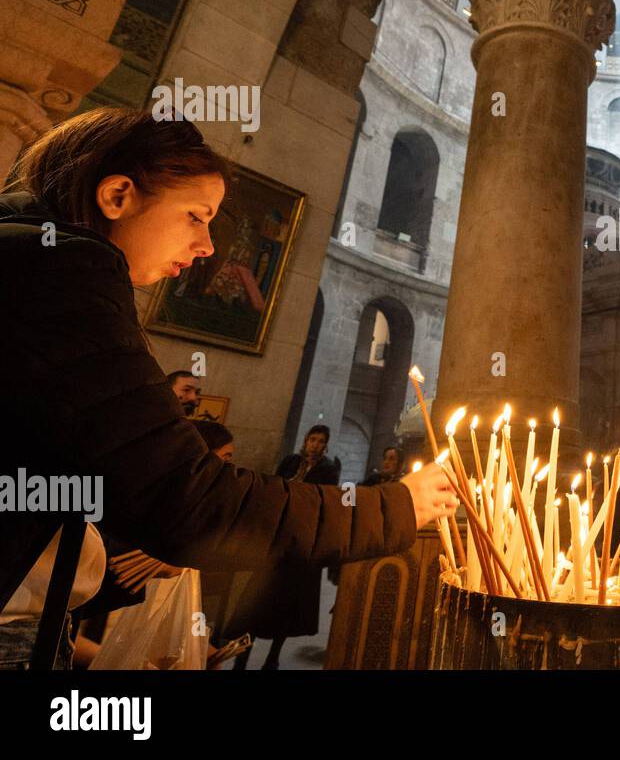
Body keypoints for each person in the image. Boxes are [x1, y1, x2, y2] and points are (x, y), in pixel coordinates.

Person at [0, 109, 458, 668]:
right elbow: (191, 501)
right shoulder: (64, 274)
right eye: (196, 216)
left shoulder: (30, 258)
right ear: (118, 195)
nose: (208, 246)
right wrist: (397, 505)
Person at [226, 426, 341, 670]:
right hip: (276, 542)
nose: (315, 445)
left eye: (321, 441)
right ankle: (241, 658)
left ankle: (272, 658)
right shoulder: (290, 462)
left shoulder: (328, 469)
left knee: (287, 606)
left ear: (326, 445)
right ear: (305, 440)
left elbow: (323, 501)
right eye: (312, 439)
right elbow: (273, 488)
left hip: (301, 545)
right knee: (256, 602)